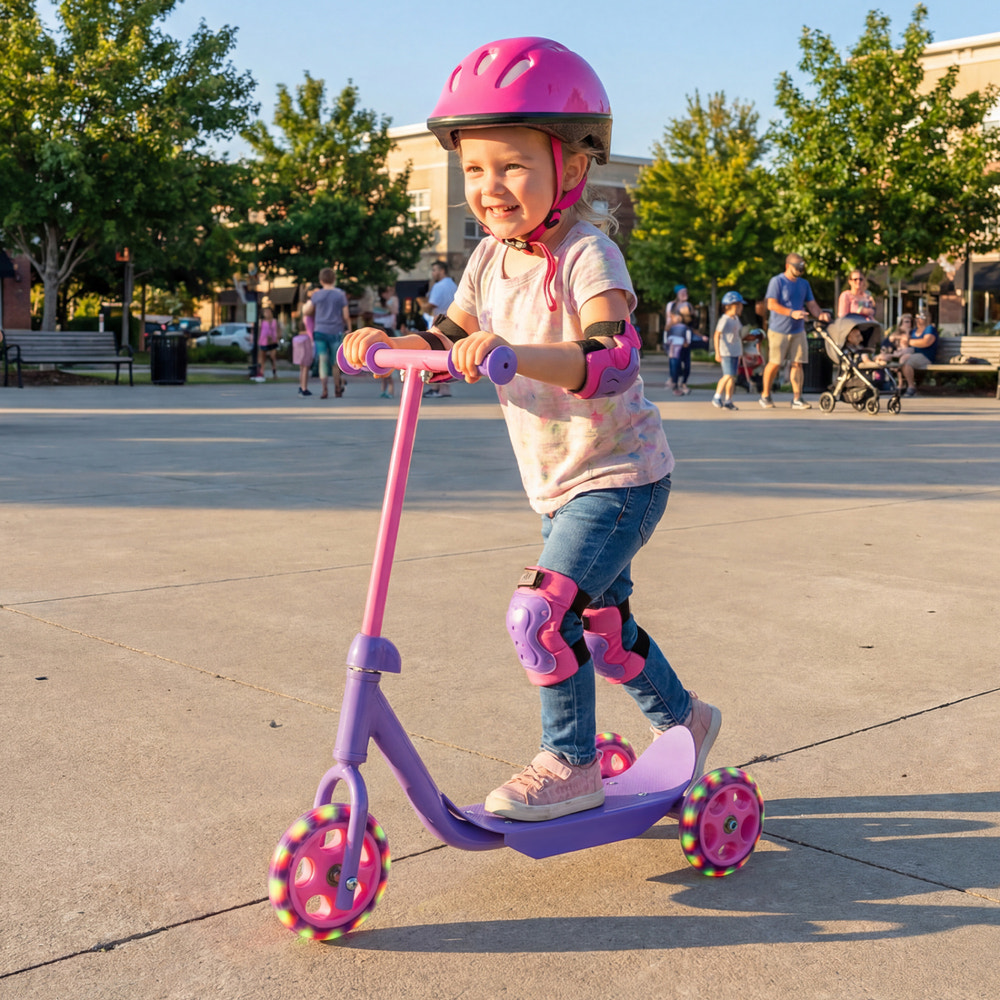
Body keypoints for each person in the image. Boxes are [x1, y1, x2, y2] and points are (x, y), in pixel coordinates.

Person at [344, 36, 720, 823]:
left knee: (539, 614)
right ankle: (685, 719)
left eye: (511, 166)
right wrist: (383, 348)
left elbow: (610, 357)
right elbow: (447, 343)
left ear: (572, 168)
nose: (490, 187)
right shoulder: (486, 261)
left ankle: (571, 764)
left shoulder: (589, 254)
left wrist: (516, 355)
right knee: (605, 630)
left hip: (619, 475)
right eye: (475, 169)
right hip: (557, 486)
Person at [760, 253, 831, 410]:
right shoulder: (777, 281)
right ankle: (765, 395)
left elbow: (811, 304)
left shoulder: (804, 284)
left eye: (802, 268)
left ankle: (797, 398)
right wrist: (792, 312)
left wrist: (820, 314)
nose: (800, 270)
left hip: (798, 330)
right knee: (775, 363)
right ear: (787, 266)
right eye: (797, 267)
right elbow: (771, 304)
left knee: (798, 363)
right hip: (778, 330)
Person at [303, 267, 351, 399]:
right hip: (335, 331)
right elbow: (346, 315)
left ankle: (324, 390)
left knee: (322, 362)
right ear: (334, 279)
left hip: (320, 331)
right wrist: (349, 329)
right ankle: (337, 389)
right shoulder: (340, 294)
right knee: (336, 363)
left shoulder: (316, 295)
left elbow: (308, 311)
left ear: (321, 280)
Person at [418, 262, 459, 398]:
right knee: (447, 356)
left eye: (434, 270)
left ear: (442, 270)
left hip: (438, 323)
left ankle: (440, 388)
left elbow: (431, 305)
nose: (433, 273)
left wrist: (422, 306)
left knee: (436, 356)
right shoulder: (453, 285)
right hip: (453, 322)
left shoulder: (438, 286)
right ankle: (440, 387)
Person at [712, 291, 746, 410]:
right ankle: (716, 396)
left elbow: (738, 335)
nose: (741, 307)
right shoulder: (725, 319)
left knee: (732, 377)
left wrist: (741, 351)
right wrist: (717, 352)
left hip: (735, 352)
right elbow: (716, 335)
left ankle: (728, 400)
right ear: (732, 305)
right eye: (739, 305)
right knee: (727, 375)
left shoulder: (736, 319)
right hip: (726, 352)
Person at [899, 311, 939, 397]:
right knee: (902, 359)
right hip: (913, 354)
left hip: (926, 356)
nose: (917, 320)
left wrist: (910, 341)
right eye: (916, 318)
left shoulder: (929, 328)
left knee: (907, 362)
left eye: (920, 318)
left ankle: (911, 387)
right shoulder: (914, 331)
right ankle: (901, 385)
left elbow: (926, 342)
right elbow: (904, 342)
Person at [663, 305, 692, 394]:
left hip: (684, 349)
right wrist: (667, 348)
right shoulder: (669, 328)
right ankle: (675, 384)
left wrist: (687, 343)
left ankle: (683, 383)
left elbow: (688, 336)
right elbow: (665, 340)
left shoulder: (685, 326)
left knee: (687, 366)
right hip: (674, 351)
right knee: (675, 367)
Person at [257, 306, 281, 380]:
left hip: (273, 341)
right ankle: (261, 372)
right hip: (263, 341)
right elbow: (259, 331)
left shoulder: (274, 321)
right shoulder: (261, 321)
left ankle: (274, 372)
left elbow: (278, 330)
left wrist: (277, 338)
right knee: (262, 358)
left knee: (272, 357)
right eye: (266, 312)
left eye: (269, 312)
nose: (267, 313)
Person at [292, 326, 314, 396]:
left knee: (301, 369)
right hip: (306, 349)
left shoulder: (297, 338)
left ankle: (301, 386)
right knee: (305, 369)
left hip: (299, 353)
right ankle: (304, 388)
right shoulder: (307, 337)